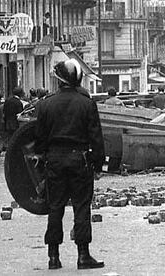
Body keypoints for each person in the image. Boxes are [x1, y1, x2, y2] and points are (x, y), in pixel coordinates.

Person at [34, 58, 105, 270]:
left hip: (55, 160)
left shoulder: (45, 104)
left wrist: (42, 158)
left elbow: (39, 139)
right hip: (80, 160)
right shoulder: (86, 103)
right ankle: (83, 255)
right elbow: (96, 137)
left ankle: (53, 257)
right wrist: (98, 164)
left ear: (59, 80)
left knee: (55, 207)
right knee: (81, 207)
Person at [0, 87, 24, 159]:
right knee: (13, 138)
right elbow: (20, 114)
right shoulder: (18, 102)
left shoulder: (7, 101)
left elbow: (4, 111)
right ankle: (11, 152)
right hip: (15, 123)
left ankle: (0, 149)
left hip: (7, 122)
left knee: (5, 137)